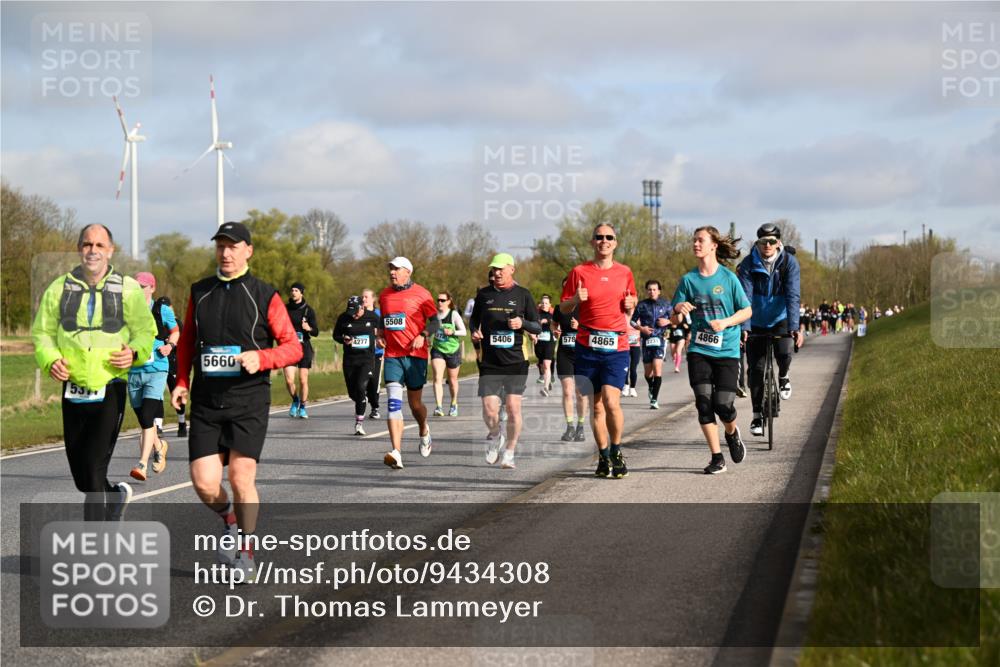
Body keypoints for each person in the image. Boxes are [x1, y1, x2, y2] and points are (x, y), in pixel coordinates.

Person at [171, 221, 302, 578]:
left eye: (233, 246)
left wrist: (262, 358)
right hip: (208, 402)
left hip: (248, 400)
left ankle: (246, 551)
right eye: (220, 246)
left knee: (243, 477)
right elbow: (186, 343)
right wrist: (181, 381)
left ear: (248, 251)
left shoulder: (264, 294)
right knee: (204, 482)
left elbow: (292, 347)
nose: (226, 253)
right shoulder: (200, 292)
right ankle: (229, 521)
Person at [32, 223, 157, 520]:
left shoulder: (127, 289)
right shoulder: (58, 288)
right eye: (87, 244)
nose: (93, 251)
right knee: (82, 476)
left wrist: (134, 353)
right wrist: (50, 360)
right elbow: (42, 333)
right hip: (72, 387)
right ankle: (115, 495)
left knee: (92, 469)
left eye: (100, 245)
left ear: (110, 250)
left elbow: (145, 331)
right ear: (79, 249)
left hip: (110, 384)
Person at [671, 226, 752, 474]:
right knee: (704, 403)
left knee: (723, 404)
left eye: (700, 240)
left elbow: (746, 311)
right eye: (694, 240)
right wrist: (678, 310)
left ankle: (732, 432)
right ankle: (717, 457)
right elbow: (674, 320)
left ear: (713, 245)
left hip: (727, 350)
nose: (696, 244)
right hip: (699, 349)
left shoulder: (728, 278)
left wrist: (726, 322)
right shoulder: (688, 280)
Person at [560, 223, 638, 479]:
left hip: (616, 346)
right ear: (592, 242)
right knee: (595, 408)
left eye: (609, 237)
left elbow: (632, 302)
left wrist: (631, 303)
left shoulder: (625, 272)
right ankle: (603, 457)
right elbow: (563, 308)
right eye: (599, 237)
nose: (604, 241)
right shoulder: (579, 272)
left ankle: (616, 450)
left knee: (611, 401)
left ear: (615, 243)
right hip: (587, 347)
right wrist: (575, 300)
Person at [470, 253, 542, 470]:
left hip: (516, 361)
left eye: (501, 269)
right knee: (489, 410)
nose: (497, 273)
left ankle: (509, 452)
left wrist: (522, 323)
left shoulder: (523, 295)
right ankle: (494, 435)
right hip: (490, 361)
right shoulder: (484, 295)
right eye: (494, 269)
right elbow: (473, 320)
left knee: (512, 407)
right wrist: (475, 332)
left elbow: (537, 326)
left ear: (512, 269)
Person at [737, 222, 802, 438]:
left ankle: (783, 376)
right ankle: (757, 415)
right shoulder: (747, 264)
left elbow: (793, 295)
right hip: (755, 320)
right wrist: (744, 327)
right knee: (756, 370)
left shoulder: (789, 263)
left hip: (780, 318)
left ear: (778, 243)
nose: (767, 245)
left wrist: (794, 327)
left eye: (772, 241)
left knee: (784, 352)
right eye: (763, 242)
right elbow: (744, 297)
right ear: (757, 243)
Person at [378, 257, 437, 469]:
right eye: (390, 269)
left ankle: (423, 429)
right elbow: (382, 319)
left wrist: (424, 334)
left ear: (407, 272)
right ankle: (396, 452)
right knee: (393, 403)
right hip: (393, 355)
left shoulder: (422, 294)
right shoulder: (384, 295)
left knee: (415, 405)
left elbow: (435, 321)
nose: (392, 272)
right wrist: (379, 333)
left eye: (396, 269)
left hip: (416, 356)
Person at [127, 272, 179, 481]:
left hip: (157, 369)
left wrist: (170, 346)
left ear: (151, 288)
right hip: (134, 372)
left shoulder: (161, 309)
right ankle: (159, 445)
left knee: (148, 416)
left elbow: (175, 331)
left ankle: (142, 464)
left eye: (141, 286)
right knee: (144, 421)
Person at [334, 295, 381, 435]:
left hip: (367, 359)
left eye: (355, 311)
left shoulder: (372, 317)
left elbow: (383, 332)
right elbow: (336, 335)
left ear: (362, 307)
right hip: (349, 360)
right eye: (351, 312)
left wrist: (381, 339)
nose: (353, 315)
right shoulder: (343, 318)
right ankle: (361, 399)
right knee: (353, 393)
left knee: (361, 386)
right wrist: (343, 339)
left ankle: (359, 423)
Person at [553, 283, 588, 442]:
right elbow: (555, 323)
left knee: (580, 393)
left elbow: (595, 328)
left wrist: (580, 327)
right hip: (564, 353)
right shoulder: (560, 307)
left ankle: (580, 427)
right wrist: (555, 330)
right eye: (566, 287)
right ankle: (569, 427)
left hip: (582, 353)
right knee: (567, 391)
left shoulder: (586, 306)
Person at [631, 279, 672, 409]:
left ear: (659, 291)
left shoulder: (666, 304)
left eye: (654, 289)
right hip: (646, 341)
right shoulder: (642, 305)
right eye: (649, 289)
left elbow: (676, 320)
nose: (652, 292)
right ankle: (651, 386)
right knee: (648, 373)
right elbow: (632, 322)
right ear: (646, 291)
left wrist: (668, 322)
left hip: (659, 340)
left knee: (657, 368)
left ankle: (654, 399)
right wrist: (641, 328)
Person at [283, 282, 318, 419]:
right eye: (292, 290)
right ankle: (295, 400)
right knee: (289, 380)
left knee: (303, 380)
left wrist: (308, 328)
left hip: (304, 348)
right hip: (288, 348)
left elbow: (316, 332)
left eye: (296, 290)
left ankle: (303, 407)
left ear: (301, 293)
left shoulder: (308, 310)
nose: (293, 292)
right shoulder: (285, 309)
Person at [155, 295, 188, 438]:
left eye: (166, 307)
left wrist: (172, 342)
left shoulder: (177, 323)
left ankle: (181, 423)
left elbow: (184, 342)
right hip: (160, 361)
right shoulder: (155, 322)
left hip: (174, 362)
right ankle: (158, 425)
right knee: (157, 393)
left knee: (176, 391)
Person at [431, 291, 467, 417]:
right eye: (438, 300)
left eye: (442, 300)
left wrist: (452, 332)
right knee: (437, 378)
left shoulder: (453, 314)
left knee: (452, 380)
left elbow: (464, 332)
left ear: (448, 301)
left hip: (453, 350)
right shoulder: (434, 315)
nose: (439, 302)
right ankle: (439, 407)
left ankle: (453, 403)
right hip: (438, 349)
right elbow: (430, 329)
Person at [362, 289, 383, 419]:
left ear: (373, 299)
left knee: (374, 382)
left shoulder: (379, 314)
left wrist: (377, 332)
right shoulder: (359, 314)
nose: (363, 299)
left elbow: (384, 331)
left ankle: (375, 407)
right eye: (362, 297)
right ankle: (362, 406)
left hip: (376, 353)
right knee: (363, 381)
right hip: (362, 353)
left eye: (366, 297)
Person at [534, 295, 556, 396]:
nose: (544, 305)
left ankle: (546, 388)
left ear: (549, 305)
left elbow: (556, 325)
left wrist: (548, 321)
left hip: (549, 342)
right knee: (542, 365)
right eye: (542, 303)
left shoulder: (553, 315)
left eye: (546, 303)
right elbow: (531, 325)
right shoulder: (536, 315)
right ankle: (548, 380)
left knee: (547, 365)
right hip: (539, 343)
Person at [669, 301, 691, 374]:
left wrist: (686, 327)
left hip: (681, 337)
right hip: (672, 337)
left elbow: (689, 325)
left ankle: (677, 367)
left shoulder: (684, 316)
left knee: (678, 351)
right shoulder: (671, 315)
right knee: (673, 353)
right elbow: (667, 327)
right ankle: (676, 361)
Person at [625, 304, 641, 397]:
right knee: (625, 367)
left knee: (633, 368)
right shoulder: (623, 315)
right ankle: (626, 386)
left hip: (636, 345)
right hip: (625, 346)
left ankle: (633, 388)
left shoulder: (639, 315)